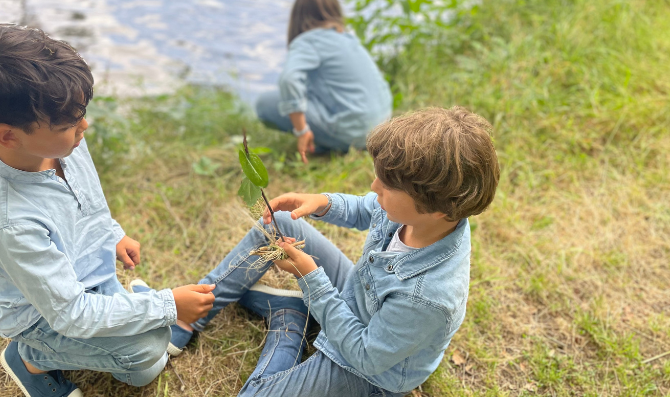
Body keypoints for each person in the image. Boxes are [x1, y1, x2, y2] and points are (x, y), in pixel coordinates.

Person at [0, 25, 215, 397]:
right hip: (44, 315)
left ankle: (131, 307)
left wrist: (112, 233)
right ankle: (29, 358)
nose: (84, 127)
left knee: (161, 331)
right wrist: (167, 305)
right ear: (9, 136)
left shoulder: (63, 144)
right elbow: (69, 313)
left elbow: (89, 204)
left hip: (86, 279)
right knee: (148, 356)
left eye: (82, 115)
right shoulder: (9, 221)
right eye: (69, 124)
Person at [167, 107, 500, 396]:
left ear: (437, 207)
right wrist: (322, 202)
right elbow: (367, 207)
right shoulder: (426, 215)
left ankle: (290, 320)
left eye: (388, 184)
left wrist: (311, 279)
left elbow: (365, 354)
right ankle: (191, 313)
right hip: (359, 297)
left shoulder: (427, 298)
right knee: (278, 221)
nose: (374, 186)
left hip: (367, 370)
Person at [256, 0, 393, 164]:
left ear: (297, 15)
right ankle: (331, 141)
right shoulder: (347, 37)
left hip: (354, 132)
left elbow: (288, 80)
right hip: (380, 127)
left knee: (265, 103)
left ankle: (325, 141)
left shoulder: (307, 41)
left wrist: (301, 130)